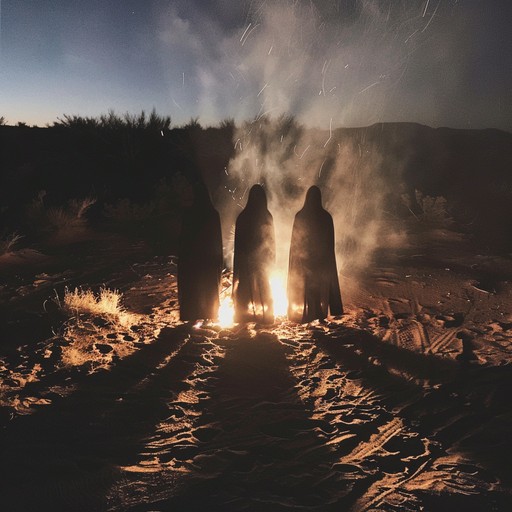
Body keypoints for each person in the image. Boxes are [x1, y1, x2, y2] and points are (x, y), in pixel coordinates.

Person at [287, 185, 343, 323]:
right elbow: (329, 242)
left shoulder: (300, 216)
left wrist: (297, 259)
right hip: (321, 260)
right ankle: (317, 312)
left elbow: (295, 242)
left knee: (308, 287)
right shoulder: (326, 217)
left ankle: (310, 312)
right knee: (317, 286)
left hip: (306, 260)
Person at [178, 180, 223, 322]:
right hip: (209, 260)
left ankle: (192, 315)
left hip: (192, 260)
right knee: (209, 288)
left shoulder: (188, 214)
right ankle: (209, 315)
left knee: (193, 288)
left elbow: (183, 240)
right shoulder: (213, 214)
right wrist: (218, 260)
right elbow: (217, 239)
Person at [233, 184, 275, 324]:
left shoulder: (243, 217)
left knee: (246, 287)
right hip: (259, 261)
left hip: (247, 260)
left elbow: (238, 243)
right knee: (262, 287)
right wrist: (271, 258)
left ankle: (244, 315)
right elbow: (271, 241)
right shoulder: (266, 216)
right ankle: (263, 314)